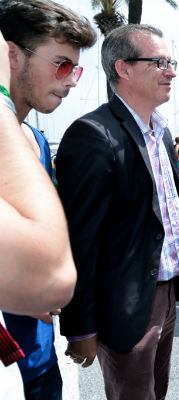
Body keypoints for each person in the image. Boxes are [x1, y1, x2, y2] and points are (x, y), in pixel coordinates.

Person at [55, 24, 179, 400]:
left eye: (171, 62)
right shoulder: (93, 134)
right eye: (160, 62)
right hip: (128, 303)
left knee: (158, 392)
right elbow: (80, 238)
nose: (171, 71)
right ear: (123, 69)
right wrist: (80, 328)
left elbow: (167, 203)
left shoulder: (160, 131)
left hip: (169, 291)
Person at [0, 1, 96, 398]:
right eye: (61, 64)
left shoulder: (38, 141)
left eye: (75, 68)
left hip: (39, 361)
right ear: (12, 55)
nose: (72, 80)